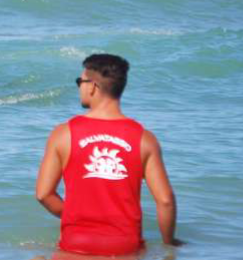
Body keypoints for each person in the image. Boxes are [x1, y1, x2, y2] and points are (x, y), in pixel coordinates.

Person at [35, 54, 181, 256]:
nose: (79, 87)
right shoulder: (144, 139)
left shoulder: (63, 134)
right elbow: (165, 201)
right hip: (124, 246)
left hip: (76, 244)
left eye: (80, 82)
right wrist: (169, 244)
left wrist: (75, 219)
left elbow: (43, 194)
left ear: (92, 87)